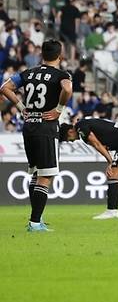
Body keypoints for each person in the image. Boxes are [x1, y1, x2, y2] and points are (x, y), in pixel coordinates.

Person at [0, 40, 72, 232]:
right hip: (46, 126)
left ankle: (37, 219)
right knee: (45, 176)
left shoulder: (28, 73)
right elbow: (67, 89)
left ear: (42, 55)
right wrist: (59, 109)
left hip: (29, 125)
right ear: (60, 56)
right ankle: (34, 222)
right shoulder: (61, 75)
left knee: (35, 173)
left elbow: (5, 87)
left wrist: (21, 107)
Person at [59, 117, 118, 219]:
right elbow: (103, 145)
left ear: (70, 131)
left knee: (113, 175)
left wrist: (110, 162)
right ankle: (112, 210)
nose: (71, 142)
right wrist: (111, 161)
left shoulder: (81, 127)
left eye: (67, 139)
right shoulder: (83, 129)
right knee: (113, 176)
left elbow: (97, 144)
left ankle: (112, 211)